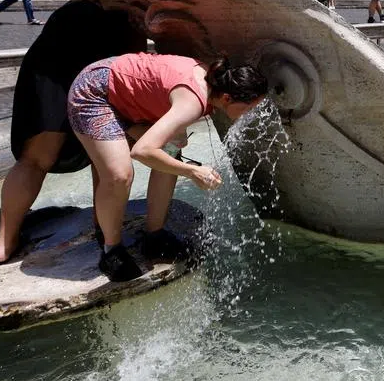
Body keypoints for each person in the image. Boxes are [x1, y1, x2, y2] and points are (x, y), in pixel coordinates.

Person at [68, 53, 268, 281]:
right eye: (249, 107)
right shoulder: (194, 102)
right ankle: (111, 251)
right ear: (227, 98)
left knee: (172, 149)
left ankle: (154, 236)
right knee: (119, 175)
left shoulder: (214, 82)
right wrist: (193, 171)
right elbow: (142, 151)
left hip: (123, 96)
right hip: (94, 93)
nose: (252, 113)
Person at [0, 1, 146, 265]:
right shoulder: (132, 10)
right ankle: (104, 227)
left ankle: (4, 242)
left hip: (59, 42)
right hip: (111, 44)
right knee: (106, 152)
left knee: (35, 159)